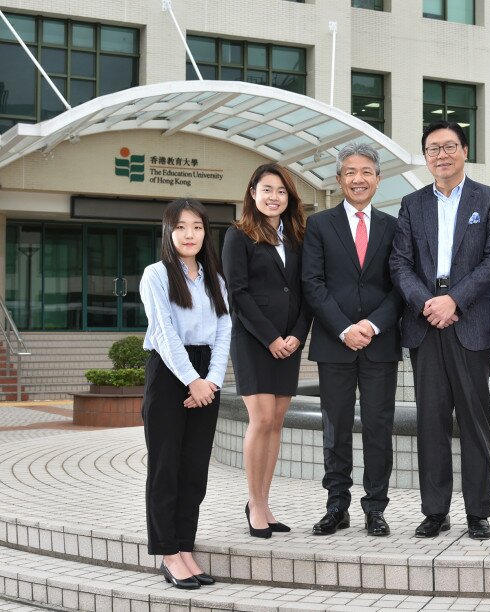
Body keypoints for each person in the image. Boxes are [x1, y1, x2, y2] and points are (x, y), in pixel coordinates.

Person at [390, 120, 490, 540]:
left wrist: (454, 300)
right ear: (425, 157)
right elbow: (399, 263)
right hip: (425, 322)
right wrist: (429, 303)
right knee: (431, 423)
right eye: (432, 149)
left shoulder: (489, 200)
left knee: (475, 421)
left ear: (464, 149)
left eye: (449, 146)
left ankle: (478, 513)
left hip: (470, 321)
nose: (441, 155)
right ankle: (434, 511)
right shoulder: (411, 203)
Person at [301, 143, 402, 537]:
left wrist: (372, 327)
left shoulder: (394, 228)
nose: (358, 179)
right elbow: (313, 283)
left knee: (379, 427)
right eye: (350, 172)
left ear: (377, 179)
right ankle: (336, 505)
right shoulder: (319, 225)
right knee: (336, 427)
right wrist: (345, 328)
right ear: (339, 179)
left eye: (366, 172)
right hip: (334, 343)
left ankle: (376, 508)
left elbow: (399, 287)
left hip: (380, 345)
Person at [140, 198, 231, 589]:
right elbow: (163, 333)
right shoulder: (156, 275)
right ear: (169, 232)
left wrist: (211, 382)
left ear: (205, 232)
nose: (189, 234)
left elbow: (225, 331)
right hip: (168, 371)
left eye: (196, 226)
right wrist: (192, 380)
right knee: (165, 468)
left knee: (193, 471)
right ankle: (167, 553)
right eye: (181, 227)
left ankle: (185, 546)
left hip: (204, 374)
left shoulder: (215, 278)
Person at [222, 163, 311, 539]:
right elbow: (237, 294)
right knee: (260, 420)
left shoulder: (297, 237)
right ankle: (254, 503)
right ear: (253, 192)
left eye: (281, 191)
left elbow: (306, 290)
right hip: (254, 342)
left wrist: (296, 336)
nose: (274, 197)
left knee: (276, 421)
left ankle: (265, 500)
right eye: (267, 189)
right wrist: (271, 338)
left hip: (289, 343)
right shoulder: (237, 235)